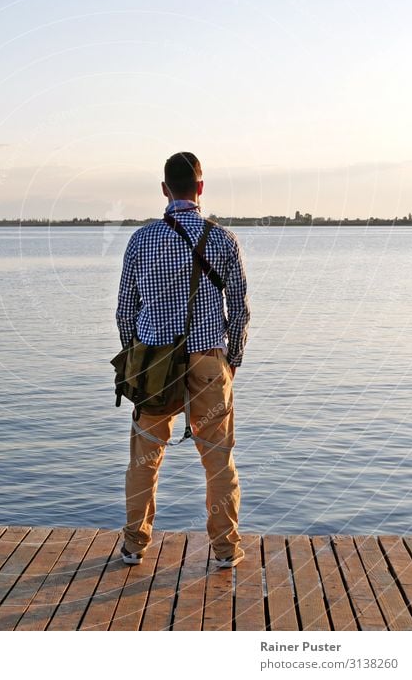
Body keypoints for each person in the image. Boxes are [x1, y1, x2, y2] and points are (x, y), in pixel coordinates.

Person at [115, 151, 250, 568]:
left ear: (164, 189)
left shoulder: (141, 239)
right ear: (201, 188)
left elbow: (124, 310)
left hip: (155, 365)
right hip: (208, 363)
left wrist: (136, 358)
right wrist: (233, 361)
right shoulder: (224, 239)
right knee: (218, 461)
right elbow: (241, 310)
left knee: (144, 459)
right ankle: (225, 551)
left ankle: (135, 546)